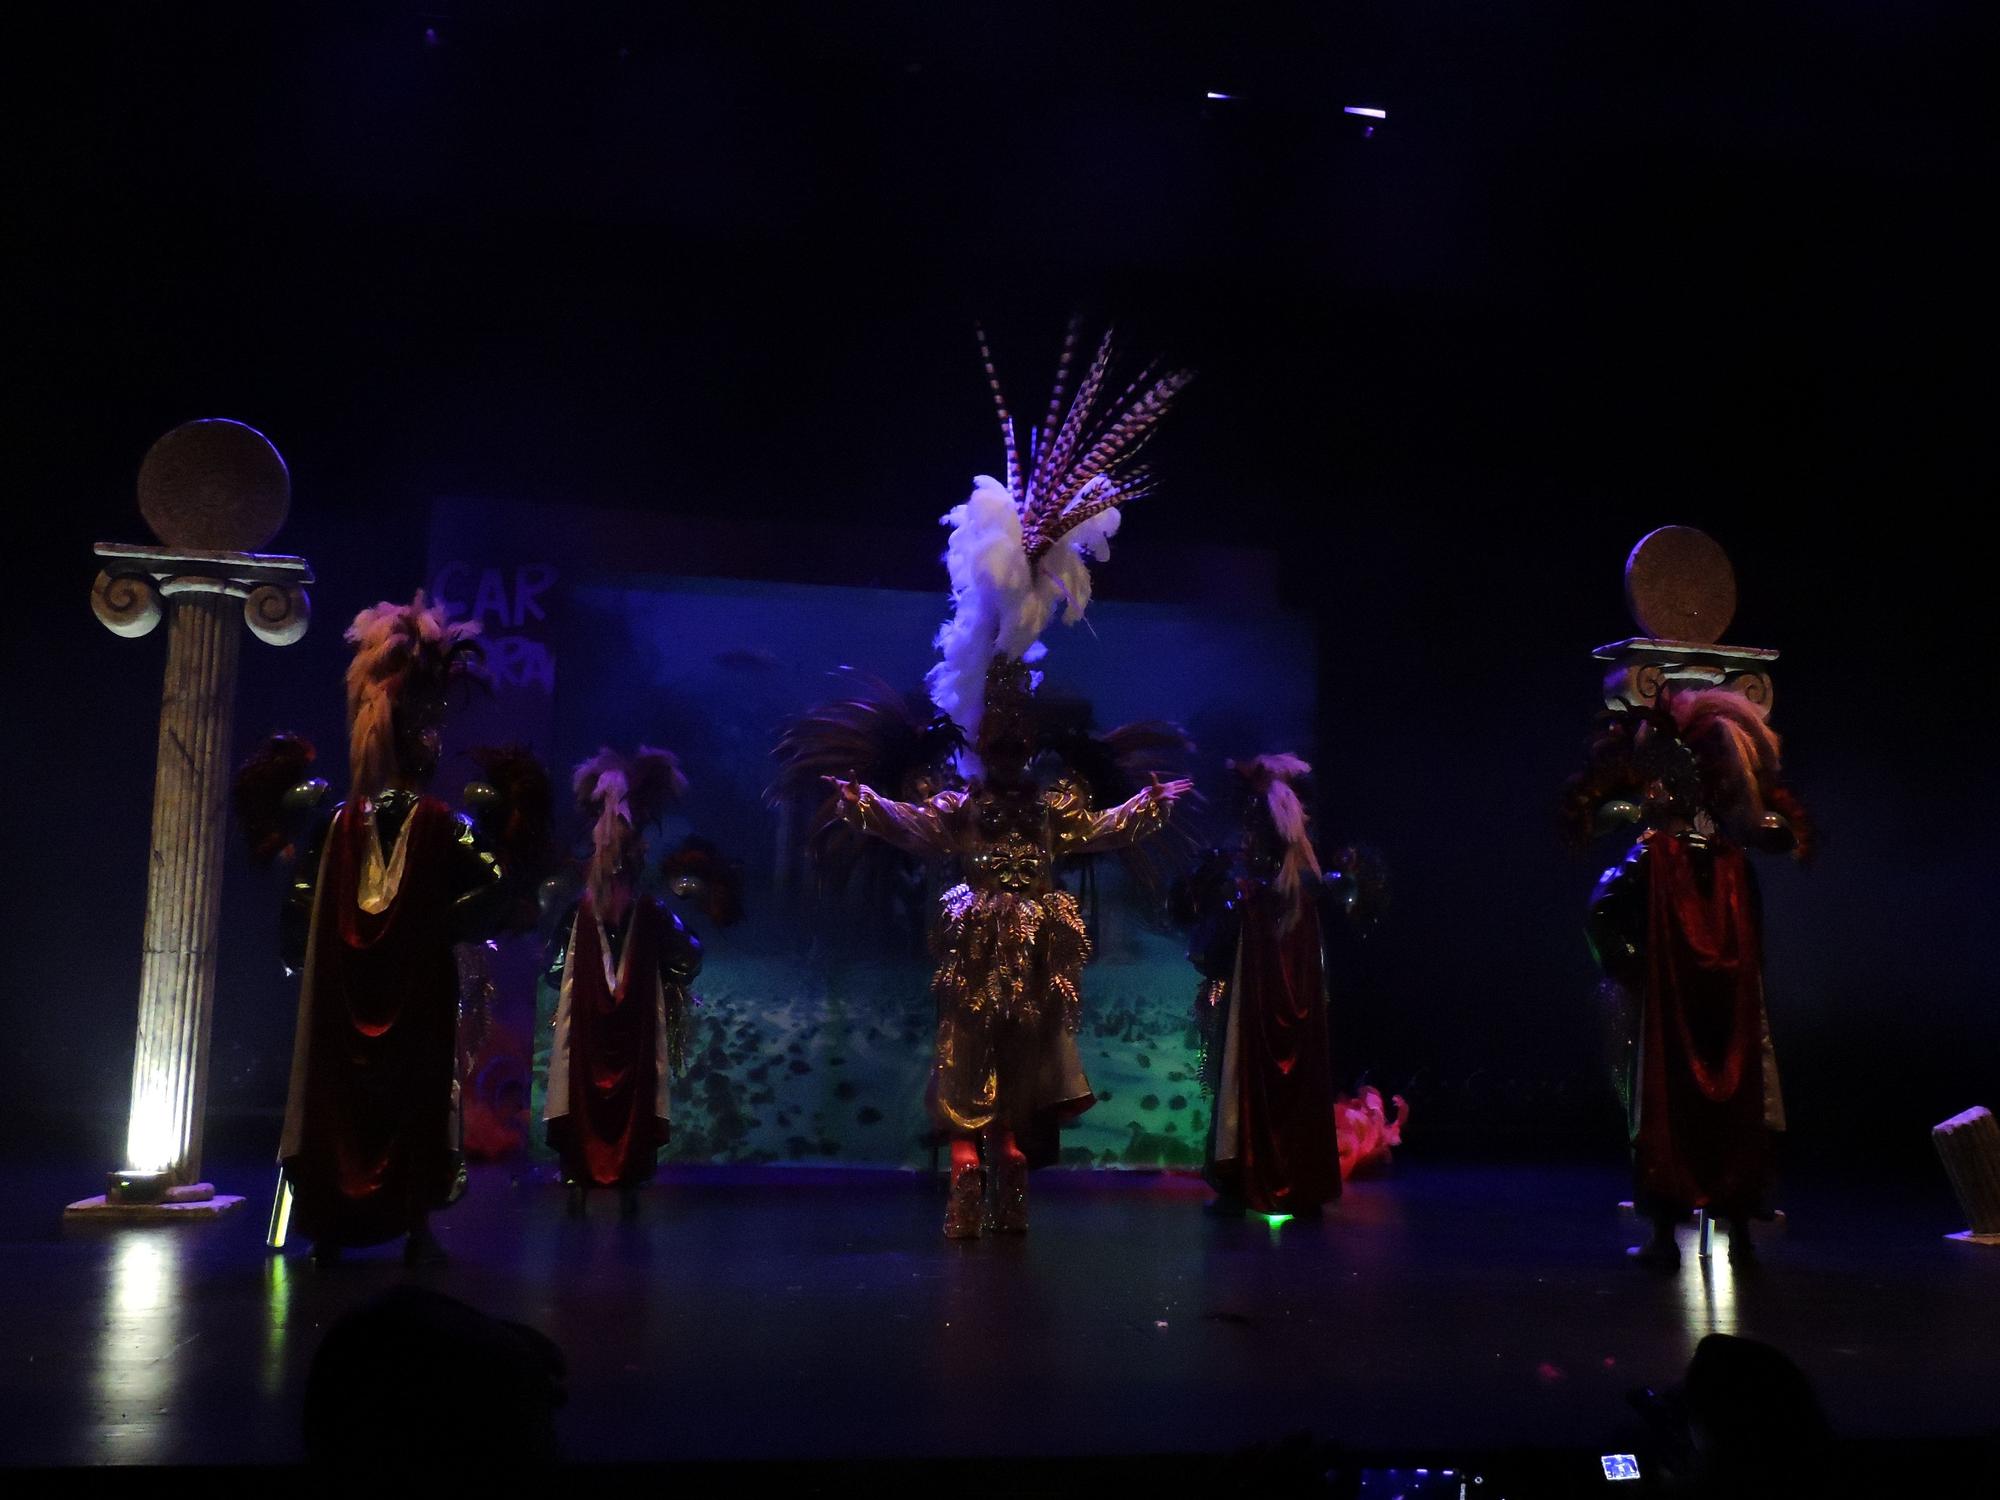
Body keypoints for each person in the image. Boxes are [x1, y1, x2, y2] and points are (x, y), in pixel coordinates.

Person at [818, 319, 1196, 1237]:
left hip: (1036, 948)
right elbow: (918, 827)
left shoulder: (1047, 803)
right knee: (965, 1050)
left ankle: (1011, 1165)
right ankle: (963, 1172)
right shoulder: (969, 805)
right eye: (1000, 737)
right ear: (983, 736)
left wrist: (1146, 808)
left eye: (1018, 738)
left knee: (1029, 1057)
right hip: (975, 941)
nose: (1009, 750)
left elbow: (1095, 831)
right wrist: (866, 807)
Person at [273, 593, 516, 1266]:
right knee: (409, 1094)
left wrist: (301, 954)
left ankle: (333, 1228)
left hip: (344, 994)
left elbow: (297, 906)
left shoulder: (336, 825)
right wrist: (437, 930)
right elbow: (497, 889)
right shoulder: (448, 826)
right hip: (410, 996)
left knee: (343, 1096)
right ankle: (411, 1224)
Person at [1566, 688, 1812, 1268]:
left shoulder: (1656, 853)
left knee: (1670, 1108)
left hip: (1677, 1006)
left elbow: (1600, 912)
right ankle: (1739, 1233)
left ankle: (1665, 1239)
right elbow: (1753, 937)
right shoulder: (1729, 859)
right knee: (1732, 1104)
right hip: (1725, 1009)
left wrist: (1631, 969)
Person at [1175, 755, 1354, 1219]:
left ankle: (1264, 1174)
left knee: (1262, 1046)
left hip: (1273, 942)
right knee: (1250, 1048)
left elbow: (1290, 874)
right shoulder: (1279, 858)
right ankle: (1257, 1173)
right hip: (1266, 941)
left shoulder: (1283, 857)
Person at [542, 747, 704, 1217]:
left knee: (630, 1073)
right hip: (591, 1025)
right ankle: (586, 1164)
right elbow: (555, 969)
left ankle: (623, 1165)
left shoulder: (649, 914)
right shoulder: (585, 913)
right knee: (584, 1067)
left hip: (629, 1026)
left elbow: (688, 956)